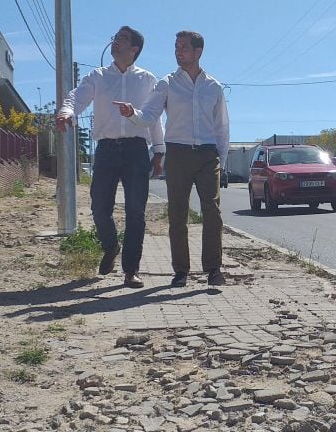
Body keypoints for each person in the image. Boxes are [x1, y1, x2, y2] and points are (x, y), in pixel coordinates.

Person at [117, 31, 229, 287]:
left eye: (184, 47)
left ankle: (213, 269)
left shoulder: (213, 86)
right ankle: (181, 271)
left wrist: (221, 159)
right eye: (176, 47)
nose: (178, 52)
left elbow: (221, 126)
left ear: (198, 52)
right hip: (177, 153)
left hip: (207, 154)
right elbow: (150, 114)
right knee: (177, 213)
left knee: (212, 211)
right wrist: (132, 113)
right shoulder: (167, 83)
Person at [56, 26, 164, 288]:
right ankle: (111, 244)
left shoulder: (148, 79)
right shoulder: (99, 76)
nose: (115, 43)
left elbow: (154, 117)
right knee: (99, 207)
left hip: (137, 150)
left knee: (135, 211)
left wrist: (159, 151)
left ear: (134, 49)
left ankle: (131, 271)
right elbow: (76, 98)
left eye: (122, 40)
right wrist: (66, 112)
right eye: (114, 39)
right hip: (105, 150)